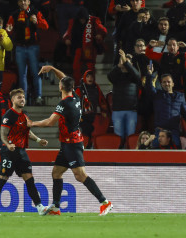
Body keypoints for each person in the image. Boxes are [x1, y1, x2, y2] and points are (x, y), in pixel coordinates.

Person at [28, 65, 113, 216]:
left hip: (72, 144)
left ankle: (105, 202)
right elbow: (65, 78)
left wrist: (32, 123)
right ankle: (55, 207)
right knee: (56, 173)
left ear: (60, 87)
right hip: (68, 143)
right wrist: (53, 69)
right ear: (72, 87)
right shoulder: (75, 97)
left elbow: (50, 122)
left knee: (80, 175)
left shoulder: (64, 104)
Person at [0, 88, 48, 216]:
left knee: (29, 179)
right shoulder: (9, 115)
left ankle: (40, 207)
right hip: (9, 151)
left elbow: (27, 131)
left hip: (21, 151)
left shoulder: (24, 115)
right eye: (19, 97)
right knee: (3, 178)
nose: (22, 99)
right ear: (13, 100)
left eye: (23, 97)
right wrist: (8, 144)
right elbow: (2, 134)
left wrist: (38, 140)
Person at [6, 0, 49, 105]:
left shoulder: (35, 12)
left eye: (25, 0)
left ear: (29, 2)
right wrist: (8, 30)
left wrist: (37, 22)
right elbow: (8, 29)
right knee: (22, 75)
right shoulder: (14, 15)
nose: (23, 2)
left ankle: (38, 97)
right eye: (21, 1)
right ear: (18, 3)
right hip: (20, 47)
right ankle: (23, 99)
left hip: (33, 47)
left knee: (35, 73)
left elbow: (46, 26)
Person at [145, 66, 186, 148]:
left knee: (176, 152)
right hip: (159, 131)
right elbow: (149, 88)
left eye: (168, 82)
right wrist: (149, 74)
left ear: (173, 83)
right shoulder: (157, 94)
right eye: (164, 82)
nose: (166, 84)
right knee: (155, 154)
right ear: (161, 84)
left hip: (173, 131)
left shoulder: (180, 96)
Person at [63, 7, 107, 85]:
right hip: (77, 48)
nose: (82, 20)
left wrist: (100, 35)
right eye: (80, 19)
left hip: (90, 48)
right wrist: (67, 39)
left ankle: (91, 85)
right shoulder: (73, 22)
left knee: (90, 68)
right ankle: (77, 85)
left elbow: (103, 30)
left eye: (84, 19)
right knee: (76, 68)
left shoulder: (93, 20)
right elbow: (67, 33)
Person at [107, 49, 141, 148]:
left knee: (130, 136)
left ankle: (130, 155)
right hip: (117, 110)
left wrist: (126, 63)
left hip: (131, 110)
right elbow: (109, 76)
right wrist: (118, 66)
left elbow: (138, 76)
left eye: (127, 61)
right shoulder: (116, 75)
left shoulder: (134, 76)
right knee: (118, 136)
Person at [75, 70, 109, 148]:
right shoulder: (80, 89)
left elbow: (101, 99)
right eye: (88, 76)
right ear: (84, 78)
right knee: (87, 130)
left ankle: (90, 145)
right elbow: (75, 103)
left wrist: (103, 110)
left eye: (91, 76)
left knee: (92, 130)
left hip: (93, 114)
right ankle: (86, 146)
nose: (90, 78)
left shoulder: (96, 87)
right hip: (82, 116)